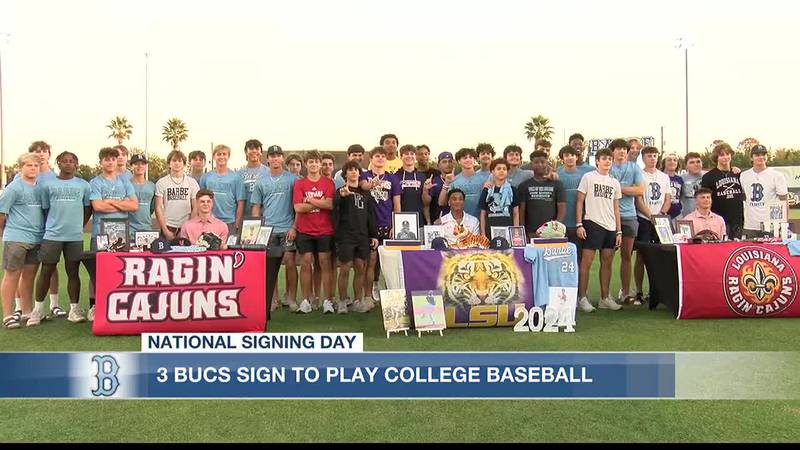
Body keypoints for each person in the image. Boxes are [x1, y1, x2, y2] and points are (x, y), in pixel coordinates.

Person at [34, 151, 92, 324]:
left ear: (76, 165)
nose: (68, 163)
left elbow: (88, 208)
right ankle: (38, 310)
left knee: (73, 271)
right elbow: (44, 209)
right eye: (64, 161)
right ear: (58, 163)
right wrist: (53, 224)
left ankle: (74, 309)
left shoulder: (84, 185)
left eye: (72, 161)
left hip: (74, 236)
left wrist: (78, 225)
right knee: (46, 270)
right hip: (52, 235)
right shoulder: (48, 185)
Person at [88, 147, 138, 320]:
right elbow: (97, 206)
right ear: (101, 162)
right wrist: (120, 203)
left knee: (120, 269)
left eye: (113, 159)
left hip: (121, 233)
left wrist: (109, 201)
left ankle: (121, 304)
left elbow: (134, 206)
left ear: (117, 161)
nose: (110, 162)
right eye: (106, 159)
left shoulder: (124, 182)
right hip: (100, 232)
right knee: (97, 270)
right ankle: (94, 305)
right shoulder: (95, 182)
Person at [251, 144, 299, 311]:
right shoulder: (261, 182)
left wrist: (294, 226)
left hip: (287, 228)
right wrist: (257, 228)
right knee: (270, 266)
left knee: (290, 262)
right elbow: (256, 206)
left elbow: (298, 205)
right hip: (268, 230)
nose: (275, 158)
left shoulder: (293, 179)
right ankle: (273, 300)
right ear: (268, 159)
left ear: (282, 158)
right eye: (272, 156)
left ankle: (291, 298)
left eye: (278, 155)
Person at [575, 148, 623, 313]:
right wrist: (579, 224)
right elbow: (580, 201)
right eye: (604, 158)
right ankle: (582, 298)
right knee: (586, 262)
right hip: (592, 223)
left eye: (609, 158)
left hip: (610, 226)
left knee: (607, 261)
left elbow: (616, 208)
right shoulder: (588, 177)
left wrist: (619, 231)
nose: (607, 161)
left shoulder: (614, 182)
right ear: (597, 161)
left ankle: (604, 298)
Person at [1, 154, 45, 329]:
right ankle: (7, 315)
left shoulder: (40, 188)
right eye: (29, 165)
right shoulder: (14, 188)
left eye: (36, 165)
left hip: (36, 238)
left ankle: (27, 312)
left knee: (29, 276)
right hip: (16, 238)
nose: (33, 168)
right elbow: (2, 212)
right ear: (21, 167)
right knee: (12, 275)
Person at [293, 150, 336, 314]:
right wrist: (320, 202)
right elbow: (298, 207)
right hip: (305, 229)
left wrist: (310, 200)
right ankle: (305, 300)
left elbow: (330, 205)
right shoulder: (300, 184)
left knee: (325, 263)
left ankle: (327, 301)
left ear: (320, 164)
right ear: (306, 164)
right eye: (310, 161)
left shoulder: (328, 182)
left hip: (324, 229)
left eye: (316, 161)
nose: (313, 164)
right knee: (305, 263)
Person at [333, 161, 379, 314]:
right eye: (350, 170)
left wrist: (373, 235)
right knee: (345, 268)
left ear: (360, 174)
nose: (353, 172)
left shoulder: (366, 193)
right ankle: (342, 301)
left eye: (356, 170)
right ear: (345, 174)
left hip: (362, 236)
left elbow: (370, 215)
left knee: (360, 267)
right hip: (345, 236)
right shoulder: (341, 190)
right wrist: (342, 196)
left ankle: (358, 301)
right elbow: (335, 204)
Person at [359, 146, 401, 302]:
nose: (380, 158)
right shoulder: (365, 175)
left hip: (386, 223)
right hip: (370, 224)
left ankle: (392, 293)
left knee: (390, 262)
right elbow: (363, 185)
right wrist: (371, 185)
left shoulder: (392, 178)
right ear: (371, 159)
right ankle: (370, 292)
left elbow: (397, 203)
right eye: (377, 156)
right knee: (371, 261)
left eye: (383, 156)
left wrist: (395, 224)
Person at [632, 146, 671, 306]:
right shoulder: (639, 174)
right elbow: (638, 200)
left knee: (663, 256)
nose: (652, 158)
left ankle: (658, 292)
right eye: (649, 156)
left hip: (661, 220)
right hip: (644, 220)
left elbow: (668, 199)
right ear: (643, 158)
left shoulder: (664, 177)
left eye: (655, 155)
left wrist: (661, 214)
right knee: (642, 256)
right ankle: (639, 292)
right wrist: (650, 216)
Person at [609, 138, 644, 307]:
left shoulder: (634, 167)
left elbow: (640, 190)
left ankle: (625, 291)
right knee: (606, 256)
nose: (621, 151)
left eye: (624, 149)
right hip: (608, 217)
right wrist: (625, 189)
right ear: (613, 151)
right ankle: (604, 294)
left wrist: (618, 188)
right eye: (618, 149)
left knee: (626, 255)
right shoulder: (607, 166)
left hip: (629, 216)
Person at [740, 144, 789, 238]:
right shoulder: (744, 175)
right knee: (749, 252)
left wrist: (784, 223)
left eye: (763, 154)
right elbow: (744, 196)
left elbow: (784, 200)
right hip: (750, 225)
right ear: (751, 158)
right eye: (757, 155)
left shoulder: (777, 175)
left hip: (770, 225)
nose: (761, 157)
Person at [557, 145, 594, 262]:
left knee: (578, 259)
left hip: (579, 224)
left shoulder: (584, 176)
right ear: (562, 158)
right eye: (566, 155)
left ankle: (577, 281)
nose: (569, 158)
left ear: (577, 157)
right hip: (561, 223)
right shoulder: (557, 175)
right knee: (561, 259)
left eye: (572, 155)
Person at [518, 150, 565, 239]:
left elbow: (561, 209)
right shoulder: (524, 186)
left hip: (552, 232)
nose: (540, 165)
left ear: (547, 163)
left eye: (543, 162)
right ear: (531, 164)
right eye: (536, 162)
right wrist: (523, 231)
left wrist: (556, 228)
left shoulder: (557, 184)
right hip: (531, 232)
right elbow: (522, 211)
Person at [701, 142, 744, 239]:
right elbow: (705, 199)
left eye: (727, 154)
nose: (725, 157)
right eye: (721, 155)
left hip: (737, 221)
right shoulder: (708, 177)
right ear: (716, 157)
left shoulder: (737, 174)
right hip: (719, 220)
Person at [200, 144, 246, 235]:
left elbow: (240, 202)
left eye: (224, 154)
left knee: (228, 248)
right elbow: (200, 199)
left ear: (228, 156)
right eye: (219, 154)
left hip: (229, 222)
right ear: (214, 157)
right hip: (210, 220)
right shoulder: (206, 177)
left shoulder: (236, 177)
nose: (221, 157)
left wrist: (237, 222)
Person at [155, 150, 200, 241]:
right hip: (168, 226)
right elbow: (158, 207)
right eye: (174, 161)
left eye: (180, 161)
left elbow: (196, 206)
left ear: (184, 164)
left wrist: (189, 226)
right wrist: (165, 229)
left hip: (186, 226)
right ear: (169, 164)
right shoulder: (162, 182)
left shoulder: (192, 182)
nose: (177, 163)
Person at [438, 148, 488, 219]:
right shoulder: (454, 180)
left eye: (470, 157)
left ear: (474, 160)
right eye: (465, 158)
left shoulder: (484, 179)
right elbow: (441, 203)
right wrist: (446, 183)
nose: (468, 160)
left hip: (481, 221)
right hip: (461, 222)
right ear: (459, 161)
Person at [479, 158, 520, 239]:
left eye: (504, 169)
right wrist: (483, 234)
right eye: (498, 169)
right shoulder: (487, 190)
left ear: (507, 172)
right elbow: (482, 214)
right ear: (492, 171)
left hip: (508, 231)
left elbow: (516, 213)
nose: (501, 171)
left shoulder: (513, 190)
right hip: (490, 232)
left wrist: (515, 232)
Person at [396, 144, 426, 225]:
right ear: (400, 157)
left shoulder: (422, 177)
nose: (409, 156)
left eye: (412, 154)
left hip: (419, 220)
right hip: (401, 221)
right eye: (406, 154)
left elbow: (425, 204)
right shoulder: (395, 176)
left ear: (415, 157)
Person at [422, 151, 455, 224]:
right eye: (444, 162)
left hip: (457, 221)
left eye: (450, 161)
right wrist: (425, 190)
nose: (447, 164)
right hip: (439, 220)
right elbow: (426, 204)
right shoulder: (434, 181)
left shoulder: (458, 179)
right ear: (438, 165)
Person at [239, 139, 270, 216]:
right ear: (246, 152)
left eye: (257, 149)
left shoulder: (268, 172)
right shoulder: (239, 173)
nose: (254, 151)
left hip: (264, 215)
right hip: (245, 215)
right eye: (251, 149)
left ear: (261, 152)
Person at [680, 152, 705, 217]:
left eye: (698, 162)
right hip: (687, 218)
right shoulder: (680, 178)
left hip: (706, 218)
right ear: (686, 165)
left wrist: (733, 169)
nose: (696, 164)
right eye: (692, 162)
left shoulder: (708, 176)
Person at [660, 153, 684, 219]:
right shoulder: (660, 177)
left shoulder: (679, 179)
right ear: (664, 163)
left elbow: (680, 196)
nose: (672, 162)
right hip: (662, 213)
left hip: (677, 214)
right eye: (669, 160)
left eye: (674, 160)